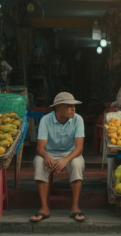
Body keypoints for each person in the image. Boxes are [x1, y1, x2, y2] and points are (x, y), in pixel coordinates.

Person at [30, 92, 87, 223]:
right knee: (39, 162)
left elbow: (79, 148)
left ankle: (75, 207)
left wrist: (65, 160)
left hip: (71, 154)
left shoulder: (78, 119)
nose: (73, 109)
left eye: (74, 106)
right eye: (69, 106)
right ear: (57, 107)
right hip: (50, 152)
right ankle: (44, 208)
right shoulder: (46, 120)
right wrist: (46, 156)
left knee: (77, 164)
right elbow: (40, 148)